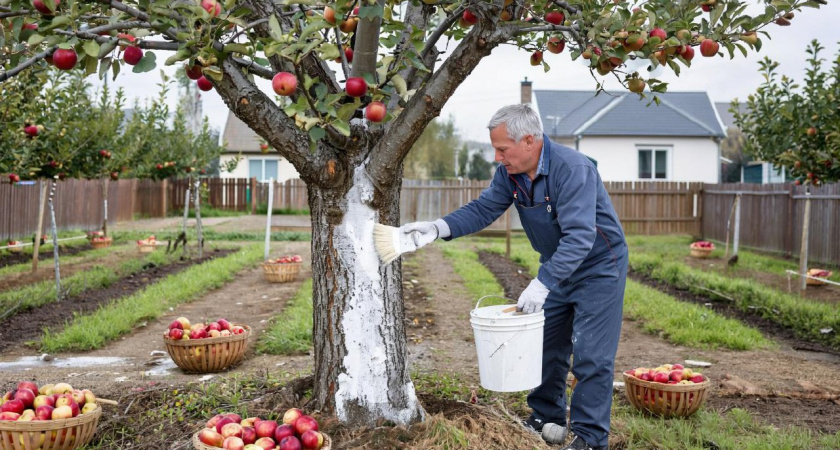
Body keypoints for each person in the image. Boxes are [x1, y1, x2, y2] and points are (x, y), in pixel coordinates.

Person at [397, 104, 627, 450]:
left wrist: (543, 282)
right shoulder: (512, 173)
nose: (496, 157)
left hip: (598, 268)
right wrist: (437, 228)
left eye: (502, 149)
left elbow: (581, 237)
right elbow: (485, 207)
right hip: (558, 265)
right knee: (546, 346)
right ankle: (547, 416)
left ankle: (591, 439)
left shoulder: (572, 169)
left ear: (530, 141)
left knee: (591, 354)